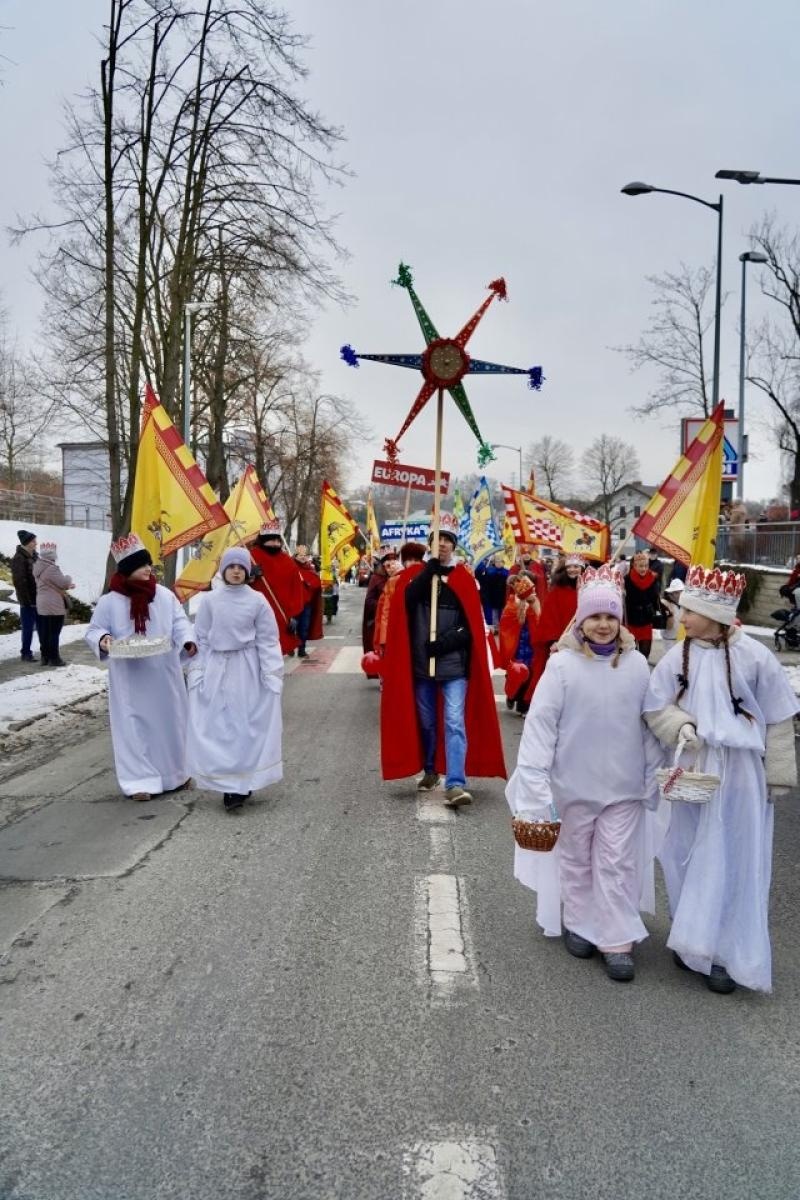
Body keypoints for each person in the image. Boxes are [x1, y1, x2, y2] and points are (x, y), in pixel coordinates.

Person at [644, 566, 799, 994]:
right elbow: (655, 707)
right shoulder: (679, 656)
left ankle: (721, 949)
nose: (682, 617)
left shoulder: (754, 656)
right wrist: (680, 727)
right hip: (695, 766)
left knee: (733, 854)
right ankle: (689, 932)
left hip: (740, 771)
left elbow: (779, 718)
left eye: (689, 611)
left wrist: (778, 774)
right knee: (684, 850)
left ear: (712, 613)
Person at [506, 565, 660, 982]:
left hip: (623, 787)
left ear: (620, 619)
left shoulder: (637, 667)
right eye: (595, 616)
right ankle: (578, 920)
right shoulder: (562, 668)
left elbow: (647, 724)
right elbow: (540, 730)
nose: (604, 624)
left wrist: (654, 773)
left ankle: (616, 939)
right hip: (573, 785)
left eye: (611, 616)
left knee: (615, 862)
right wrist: (536, 787)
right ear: (581, 619)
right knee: (576, 860)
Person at [380, 512, 505, 806]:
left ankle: (456, 782)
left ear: (454, 545)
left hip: (453, 666)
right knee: (426, 722)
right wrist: (428, 572)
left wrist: (446, 642)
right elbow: (406, 605)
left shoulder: (465, 580)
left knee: (453, 721)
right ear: (431, 544)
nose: (444, 545)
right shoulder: (413, 578)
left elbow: (472, 625)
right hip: (422, 665)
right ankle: (431, 769)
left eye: (448, 540)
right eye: (439, 540)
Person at [85, 533, 197, 801]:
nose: (149, 569)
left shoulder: (164, 596)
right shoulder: (110, 601)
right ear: (127, 570)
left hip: (163, 673)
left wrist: (188, 641)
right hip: (129, 676)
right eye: (142, 566)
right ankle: (139, 782)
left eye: (148, 565)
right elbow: (94, 629)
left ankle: (175, 774)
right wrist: (103, 639)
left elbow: (180, 622)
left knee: (169, 723)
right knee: (133, 727)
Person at [186, 547, 283, 812]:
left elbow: (267, 639)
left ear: (248, 571)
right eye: (232, 567)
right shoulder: (210, 601)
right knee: (220, 725)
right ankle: (229, 783)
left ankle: (244, 779)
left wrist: (271, 673)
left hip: (246, 667)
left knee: (245, 724)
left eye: (241, 567)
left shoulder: (258, 600)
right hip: (217, 667)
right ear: (223, 570)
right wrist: (198, 670)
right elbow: (202, 637)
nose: (237, 571)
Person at [527, 553, 584, 697]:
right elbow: (549, 616)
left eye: (576, 566)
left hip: (583, 641)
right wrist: (553, 640)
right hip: (561, 640)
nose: (572, 570)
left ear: (582, 568)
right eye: (569, 567)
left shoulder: (587, 589)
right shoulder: (557, 590)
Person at [249, 519, 305, 656]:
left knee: (274, 657)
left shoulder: (287, 561)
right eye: (271, 540)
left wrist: (295, 615)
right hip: (254, 617)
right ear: (263, 540)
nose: (275, 544)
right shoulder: (251, 557)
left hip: (281, 616)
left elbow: (296, 590)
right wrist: (249, 575)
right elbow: (234, 583)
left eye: (277, 540)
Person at [374, 541, 426, 657]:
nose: (413, 563)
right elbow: (385, 613)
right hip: (400, 632)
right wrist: (384, 640)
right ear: (404, 562)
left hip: (423, 633)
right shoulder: (394, 582)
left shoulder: (430, 581)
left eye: (417, 560)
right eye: (410, 560)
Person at [498, 573, 540, 714]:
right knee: (515, 672)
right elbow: (505, 623)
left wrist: (533, 607)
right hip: (516, 645)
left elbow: (540, 619)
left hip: (530, 643)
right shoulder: (512, 602)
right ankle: (512, 695)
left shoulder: (535, 600)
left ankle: (523, 705)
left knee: (529, 672)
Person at [33, 541, 74, 668]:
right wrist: (69, 578)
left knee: (44, 632)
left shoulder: (37, 567)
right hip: (53, 604)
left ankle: (45, 657)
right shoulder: (52, 568)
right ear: (52, 555)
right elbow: (63, 583)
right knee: (54, 632)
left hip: (42, 602)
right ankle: (54, 658)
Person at [624, 550, 660, 660]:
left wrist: (657, 610)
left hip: (646, 620)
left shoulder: (653, 579)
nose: (643, 569)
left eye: (646, 566)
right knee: (631, 653)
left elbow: (655, 597)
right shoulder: (626, 579)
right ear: (634, 566)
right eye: (640, 566)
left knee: (645, 653)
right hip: (631, 621)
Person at [362, 548, 397, 659]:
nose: (390, 563)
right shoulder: (376, 578)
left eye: (393, 559)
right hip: (379, 624)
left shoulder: (399, 576)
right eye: (387, 560)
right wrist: (384, 605)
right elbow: (369, 601)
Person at [11, 529, 39, 662]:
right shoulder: (19, 558)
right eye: (33, 541)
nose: (36, 543)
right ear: (27, 542)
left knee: (42, 626)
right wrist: (27, 600)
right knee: (28, 627)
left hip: (39, 598)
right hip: (28, 600)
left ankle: (45, 651)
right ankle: (26, 653)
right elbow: (19, 581)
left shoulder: (35, 556)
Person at [293, 545, 324, 658]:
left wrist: (309, 584)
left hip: (306, 604)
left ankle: (302, 649)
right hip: (294, 603)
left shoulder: (310, 568)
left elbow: (316, 582)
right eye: (300, 555)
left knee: (304, 627)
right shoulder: (291, 567)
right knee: (292, 626)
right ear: (296, 556)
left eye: (304, 555)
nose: (303, 557)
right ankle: (292, 646)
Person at [475, 551, 509, 631]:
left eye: (500, 561)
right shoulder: (489, 571)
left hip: (502, 596)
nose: (498, 563)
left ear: (503, 562)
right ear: (494, 562)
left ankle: (499, 628)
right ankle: (494, 628)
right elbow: (481, 578)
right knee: (493, 613)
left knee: (501, 613)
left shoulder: (506, 572)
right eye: (497, 561)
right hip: (492, 596)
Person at [658, 578, 685, 644]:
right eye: (676, 592)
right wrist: (669, 615)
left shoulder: (683, 604)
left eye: (681, 592)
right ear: (670, 593)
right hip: (668, 640)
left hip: (681, 639)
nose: (679, 595)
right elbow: (667, 626)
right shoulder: (664, 603)